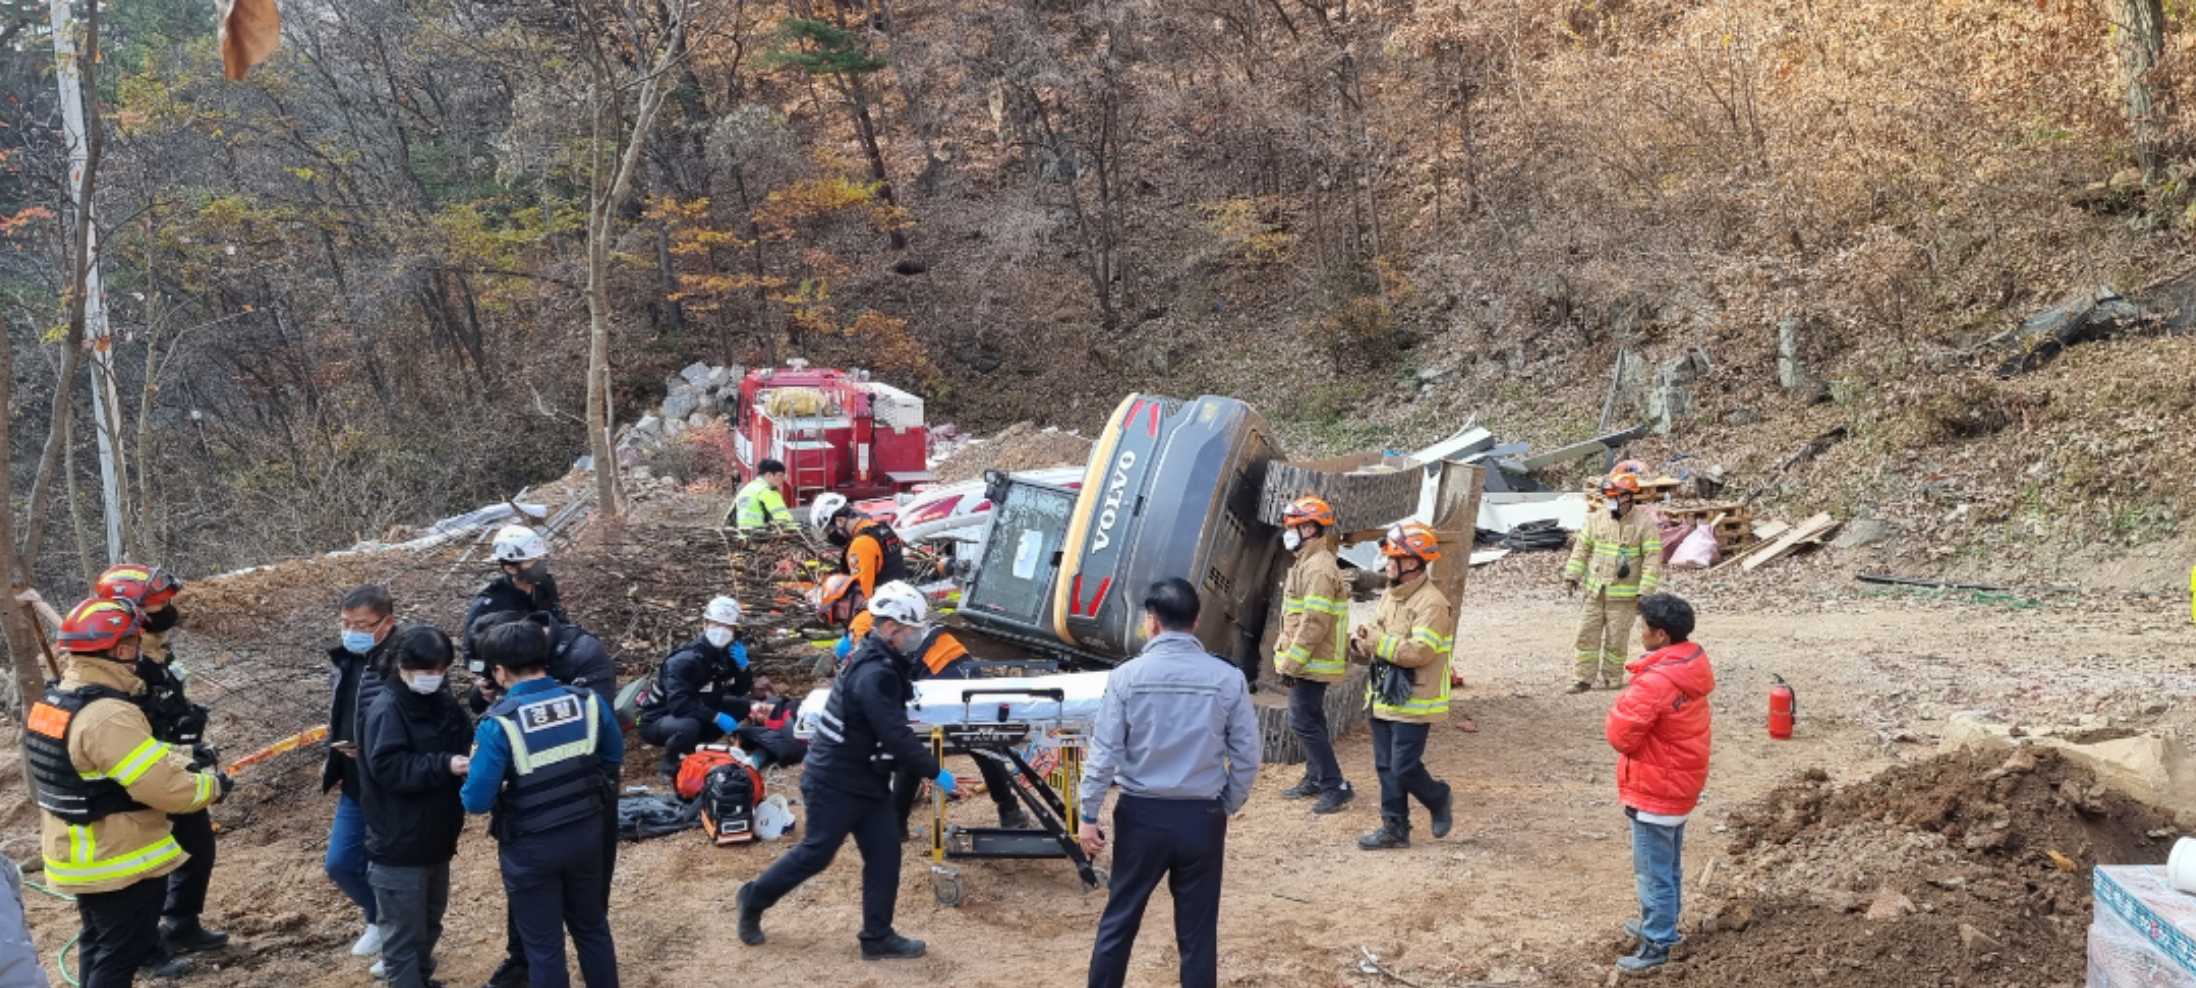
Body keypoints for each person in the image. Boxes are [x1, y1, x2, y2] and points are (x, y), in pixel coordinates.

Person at [735, 581, 950, 960]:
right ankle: (753, 898)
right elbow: (894, 732)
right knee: (817, 853)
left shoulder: (878, 659)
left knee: (885, 853)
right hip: (834, 781)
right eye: (911, 630)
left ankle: (877, 937)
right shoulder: (874, 673)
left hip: (866, 777)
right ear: (890, 628)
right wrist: (934, 771)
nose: (916, 638)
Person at [23, 598, 227, 987]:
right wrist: (212, 787)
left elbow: (118, 762)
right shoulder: (108, 713)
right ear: (117, 649)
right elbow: (162, 787)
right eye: (132, 643)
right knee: (121, 954)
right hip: (117, 858)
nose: (138, 651)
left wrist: (184, 756)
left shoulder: (58, 699)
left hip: (78, 851)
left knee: (97, 943)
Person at [1077, 578, 1261, 988]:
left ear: (1152, 621)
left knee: (1119, 922)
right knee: (1197, 933)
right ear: (1196, 621)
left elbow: (1104, 753)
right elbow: (1247, 756)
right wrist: (1225, 804)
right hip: (1202, 816)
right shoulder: (1227, 678)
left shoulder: (1126, 677)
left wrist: (1088, 815)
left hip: (1141, 816)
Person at [462, 622, 623, 988]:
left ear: (500, 671)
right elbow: (612, 758)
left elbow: (476, 801)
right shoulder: (587, 702)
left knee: (544, 948)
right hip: (587, 833)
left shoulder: (498, 723)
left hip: (531, 845)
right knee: (592, 929)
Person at [85, 565, 228, 962]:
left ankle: (182, 923)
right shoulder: (122, 662)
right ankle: (146, 949)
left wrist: (189, 741)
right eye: (157, 604)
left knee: (197, 846)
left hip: (174, 764)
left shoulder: (155, 648)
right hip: (142, 773)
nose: (167, 610)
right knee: (150, 864)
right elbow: (123, 731)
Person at [1604, 593, 1713, 974]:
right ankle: (1661, 923)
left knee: (1653, 871)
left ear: (1661, 635)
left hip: (1656, 789)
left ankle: (1658, 942)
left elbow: (1621, 736)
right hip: (1678, 784)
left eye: (1645, 627)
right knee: (1666, 866)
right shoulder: (1689, 666)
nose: (1641, 633)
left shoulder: (1655, 682)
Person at [360, 627, 472, 988]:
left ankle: (422, 980)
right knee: (403, 935)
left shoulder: (441, 701)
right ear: (403, 666)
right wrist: (445, 764)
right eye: (427, 670)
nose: (434, 677)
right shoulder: (387, 709)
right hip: (398, 841)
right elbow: (389, 767)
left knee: (429, 922)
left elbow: (463, 735)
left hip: (436, 836)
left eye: (441, 670)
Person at [1348, 522, 1457, 851]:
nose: (1387, 563)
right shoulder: (1391, 594)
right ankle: (1394, 828)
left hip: (1414, 699)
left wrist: (1375, 640)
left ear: (1411, 562)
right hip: (1384, 694)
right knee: (1385, 766)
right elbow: (1376, 633)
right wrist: (1360, 643)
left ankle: (1438, 797)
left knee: (1404, 766)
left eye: (1393, 558)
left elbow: (1419, 653)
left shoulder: (1432, 604)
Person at [888, 606, 1033, 837]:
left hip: (945, 689)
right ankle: (1010, 812)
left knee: (915, 751)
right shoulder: (914, 632)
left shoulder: (885, 632)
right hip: (959, 687)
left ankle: (896, 824)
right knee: (984, 745)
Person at [324, 584, 401, 963]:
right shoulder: (345, 659)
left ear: (387, 623)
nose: (351, 631)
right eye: (345, 623)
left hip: (391, 783)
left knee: (391, 868)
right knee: (340, 863)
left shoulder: (405, 661)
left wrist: (373, 749)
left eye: (361, 625)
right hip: (354, 780)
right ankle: (379, 919)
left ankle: (403, 944)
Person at [1269, 496, 1355, 814]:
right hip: (1309, 659)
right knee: (1312, 719)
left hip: (1311, 660)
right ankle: (1316, 777)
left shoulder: (1318, 568)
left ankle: (1334, 786)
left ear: (1308, 528)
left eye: (1292, 527)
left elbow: (1314, 622)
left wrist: (1292, 663)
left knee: (1302, 721)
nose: (1287, 533)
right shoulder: (1307, 561)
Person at [1562, 467, 1664, 693]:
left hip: (1624, 597)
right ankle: (1582, 679)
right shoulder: (1596, 519)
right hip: (1595, 592)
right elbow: (1581, 549)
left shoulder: (1644, 524)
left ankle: (1612, 678)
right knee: (1585, 635)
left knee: (1616, 640)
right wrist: (1572, 575)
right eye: (1608, 497)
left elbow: (1652, 559)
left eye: (1614, 497)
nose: (1610, 502)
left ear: (1627, 497)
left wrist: (1645, 591)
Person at [635, 596, 757, 778]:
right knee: (688, 726)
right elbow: (679, 705)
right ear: (705, 624)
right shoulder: (684, 660)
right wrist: (716, 717)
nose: (722, 631)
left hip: (700, 706)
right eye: (717, 624)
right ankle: (672, 767)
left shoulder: (726, 654)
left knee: (741, 705)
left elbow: (739, 690)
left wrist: (744, 669)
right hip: (659, 718)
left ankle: (699, 746)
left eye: (728, 626)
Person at [463, 525, 568, 673]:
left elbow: (558, 618)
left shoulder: (545, 585)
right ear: (510, 568)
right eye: (532, 561)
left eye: (541, 559)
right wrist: (489, 676)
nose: (540, 566)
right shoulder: (488, 604)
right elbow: (471, 659)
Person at [808, 493, 909, 598]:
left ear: (840, 521)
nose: (830, 536)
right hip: (898, 600)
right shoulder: (882, 530)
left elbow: (860, 596)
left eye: (829, 530)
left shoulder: (861, 545)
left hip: (882, 604)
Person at [728, 459, 794, 530]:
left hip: (742, 534)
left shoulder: (746, 489)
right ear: (769, 475)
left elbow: (730, 517)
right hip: (762, 534)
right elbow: (783, 518)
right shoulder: (767, 491)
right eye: (780, 475)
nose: (783, 479)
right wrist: (793, 529)